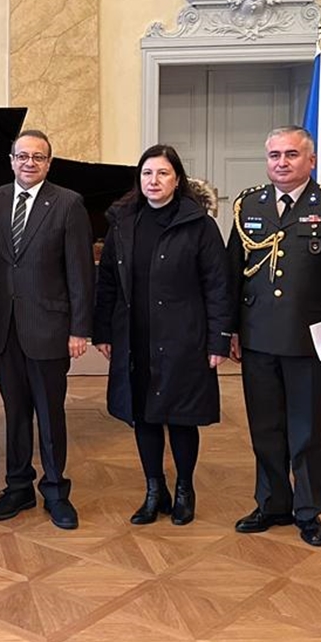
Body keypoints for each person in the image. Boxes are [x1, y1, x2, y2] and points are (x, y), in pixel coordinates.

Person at [227, 126, 321, 547]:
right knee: (265, 428)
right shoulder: (250, 203)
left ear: (311, 159)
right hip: (258, 336)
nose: (281, 163)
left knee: (308, 430)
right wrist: (229, 329)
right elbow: (233, 272)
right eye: (273, 155)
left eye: (291, 154)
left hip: (312, 339)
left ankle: (308, 510)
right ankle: (272, 502)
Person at [93, 144, 232, 526]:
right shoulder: (122, 222)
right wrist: (102, 330)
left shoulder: (198, 224)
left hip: (184, 336)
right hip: (134, 335)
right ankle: (155, 489)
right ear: (139, 180)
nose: (154, 181)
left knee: (182, 417)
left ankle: (185, 489)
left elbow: (217, 285)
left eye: (163, 174)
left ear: (177, 179)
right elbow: (106, 281)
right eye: (147, 174)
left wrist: (219, 339)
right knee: (144, 416)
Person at [0, 129, 93, 529]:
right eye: (22, 156)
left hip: (49, 327)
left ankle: (57, 489)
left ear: (49, 162)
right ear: (11, 160)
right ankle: (18, 486)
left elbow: (80, 272)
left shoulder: (68, 203)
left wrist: (80, 329)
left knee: (49, 413)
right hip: (4, 328)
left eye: (38, 157)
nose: (29, 163)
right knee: (14, 413)